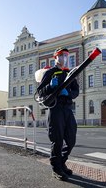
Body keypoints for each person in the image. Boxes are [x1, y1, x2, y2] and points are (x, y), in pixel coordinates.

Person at [36, 47, 79, 181]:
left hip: (67, 108)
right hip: (55, 109)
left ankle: (61, 162)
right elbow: (40, 92)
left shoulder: (69, 73)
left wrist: (69, 94)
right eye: (61, 55)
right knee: (57, 140)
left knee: (71, 140)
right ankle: (56, 168)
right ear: (55, 57)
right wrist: (50, 86)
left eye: (66, 55)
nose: (64, 58)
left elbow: (76, 91)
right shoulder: (50, 72)